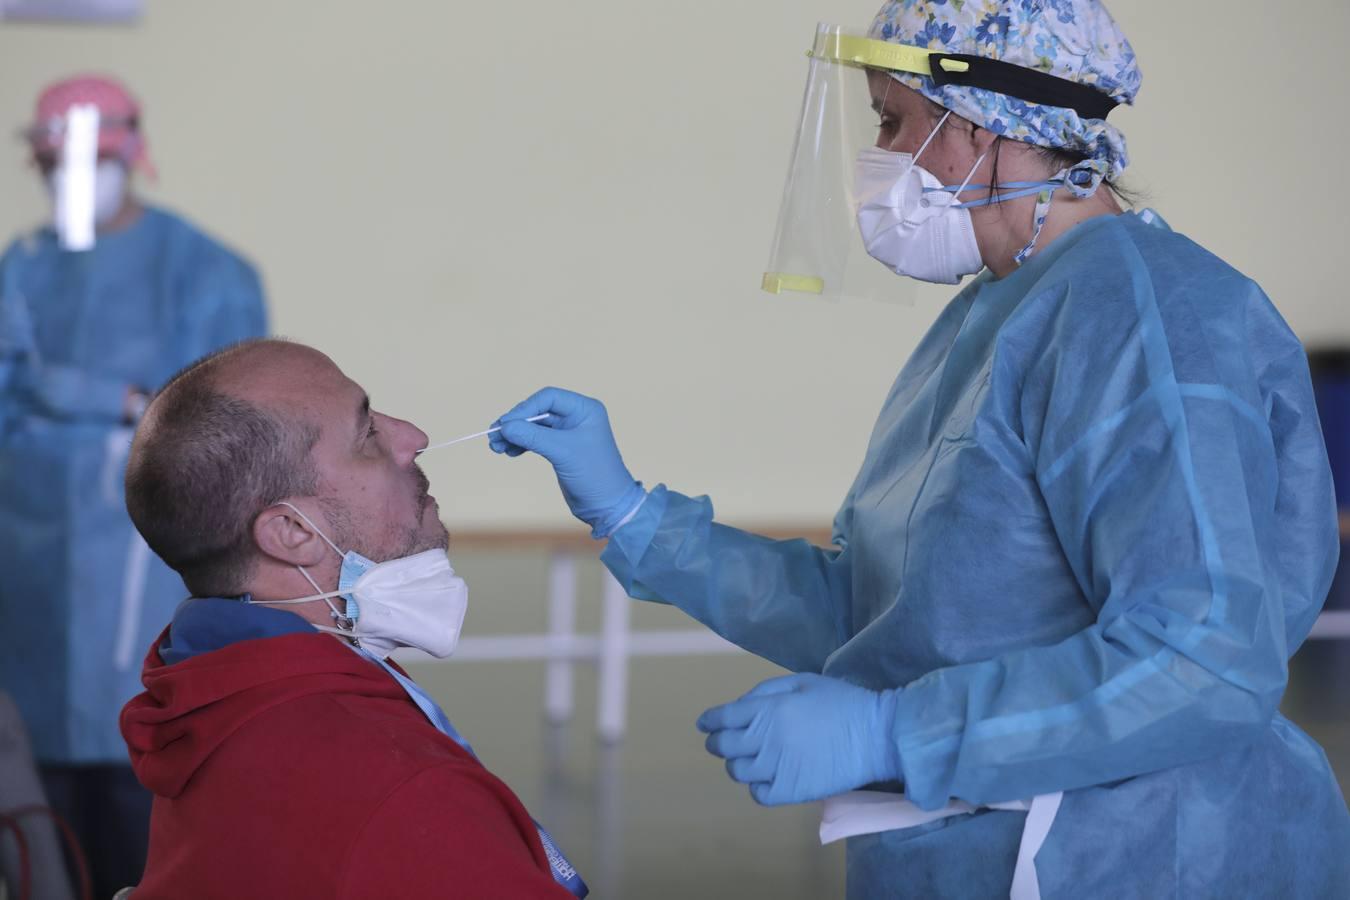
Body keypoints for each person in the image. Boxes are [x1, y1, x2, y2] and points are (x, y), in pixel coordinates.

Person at [490, 2, 1350, 897]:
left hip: (1132, 855)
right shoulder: (997, 318)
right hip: (977, 848)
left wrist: (892, 734)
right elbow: (890, 615)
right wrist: (637, 516)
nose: (882, 160)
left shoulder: (1145, 316)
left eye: (894, 122)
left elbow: (1205, 659)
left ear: (990, 125)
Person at [118, 339, 585, 899]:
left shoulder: (211, 702)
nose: (413, 437)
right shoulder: (405, 791)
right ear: (293, 533)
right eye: (367, 435)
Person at [0, 74, 267, 897]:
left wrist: (65, 400)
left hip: (148, 571)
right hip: (30, 576)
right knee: (41, 827)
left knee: (146, 798)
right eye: (54, 166)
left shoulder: (204, 271)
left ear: (132, 152)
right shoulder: (23, 267)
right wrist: (118, 404)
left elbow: (216, 424)